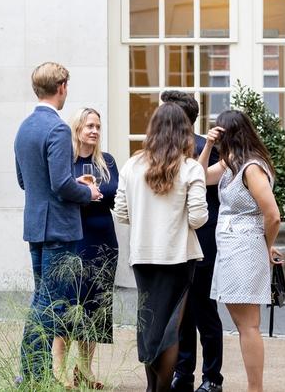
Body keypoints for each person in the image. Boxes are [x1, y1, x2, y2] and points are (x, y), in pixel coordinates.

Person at [15, 62, 103, 383]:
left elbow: (24, 181)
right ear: (62, 87)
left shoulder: (24, 127)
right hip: (58, 229)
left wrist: (71, 184)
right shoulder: (58, 128)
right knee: (50, 303)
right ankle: (33, 376)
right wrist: (87, 191)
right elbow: (61, 185)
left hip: (36, 225)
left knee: (42, 298)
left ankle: (33, 374)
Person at [114, 104, 209, 392]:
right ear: (185, 132)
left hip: (142, 255)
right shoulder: (191, 168)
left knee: (150, 326)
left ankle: (151, 388)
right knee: (170, 329)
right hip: (178, 257)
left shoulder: (132, 165)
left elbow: (121, 212)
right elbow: (198, 218)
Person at [198, 110, 284, 392]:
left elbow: (273, 215)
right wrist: (207, 146)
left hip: (244, 250)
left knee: (248, 325)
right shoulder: (232, 163)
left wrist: (264, 246)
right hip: (233, 249)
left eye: (219, 133)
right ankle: (254, 387)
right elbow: (200, 177)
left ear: (230, 134)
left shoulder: (251, 167)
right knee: (245, 324)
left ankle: (255, 388)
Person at [160, 92, 224, 392]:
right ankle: (184, 374)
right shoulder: (164, 150)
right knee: (183, 314)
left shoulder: (205, 148)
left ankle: (211, 377)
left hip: (203, 238)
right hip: (177, 240)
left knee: (204, 312)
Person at [59, 107, 118, 389]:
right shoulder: (65, 161)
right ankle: (59, 370)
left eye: (97, 126)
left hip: (103, 240)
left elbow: (115, 193)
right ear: (77, 129)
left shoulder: (107, 161)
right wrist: (83, 190)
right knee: (69, 305)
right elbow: (60, 192)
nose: (94, 131)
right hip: (74, 239)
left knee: (95, 308)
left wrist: (89, 191)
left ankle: (84, 369)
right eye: (89, 126)